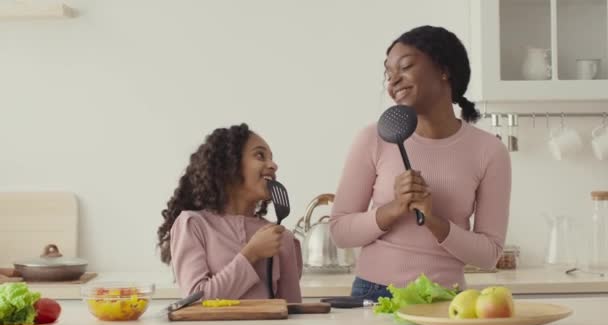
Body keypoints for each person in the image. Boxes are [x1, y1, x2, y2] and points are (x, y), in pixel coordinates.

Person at [330, 26, 511, 301]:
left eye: (404, 67)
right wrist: (394, 208)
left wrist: (434, 221)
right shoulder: (372, 138)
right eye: (388, 74)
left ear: (443, 69)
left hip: (446, 299)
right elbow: (340, 231)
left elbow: (489, 254)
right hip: (374, 295)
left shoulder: (490, 151)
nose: (393, 81)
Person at [157, 123, 302, 302]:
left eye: (271, 158)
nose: (273, 165)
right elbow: (194, 301)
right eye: (260, 155)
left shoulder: (281, 237)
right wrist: (251, 254)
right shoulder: (193, 225)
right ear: (229, 165)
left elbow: (292, 310)